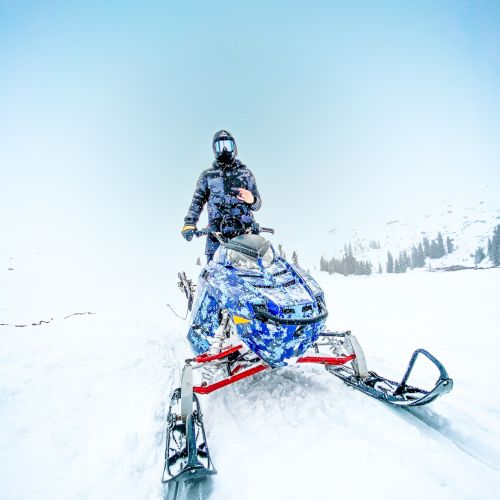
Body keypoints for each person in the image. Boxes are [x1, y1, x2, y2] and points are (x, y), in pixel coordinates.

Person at [181, 130, 262, 262]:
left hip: (246, 235)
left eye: (228, 145)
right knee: (217, 276)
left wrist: (252, 199)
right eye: (220, 146)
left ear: (234, 147)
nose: (224, 149)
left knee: (256, 275)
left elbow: (258, 204)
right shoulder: (208, 175)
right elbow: (197, 201)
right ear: (214, 149)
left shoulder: (246, 174)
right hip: (217, 236)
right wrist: (189, 223)